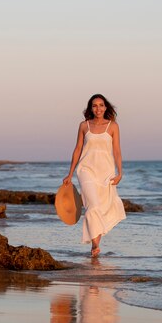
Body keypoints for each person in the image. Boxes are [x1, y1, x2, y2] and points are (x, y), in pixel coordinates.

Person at [63, 94, 126, 257]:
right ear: (90, 108)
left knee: (101, 207)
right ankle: (95, 245)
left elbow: (117, 151)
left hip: (106, 171)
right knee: (93, 206)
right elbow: (77, 149)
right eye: (94, 105)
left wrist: (120, 172)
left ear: (106, 107)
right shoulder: (84, 125)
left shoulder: (113, 126)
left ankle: (95, 244)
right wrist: (69, 174)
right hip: (86, 169)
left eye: (101, 105)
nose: (98, 108)